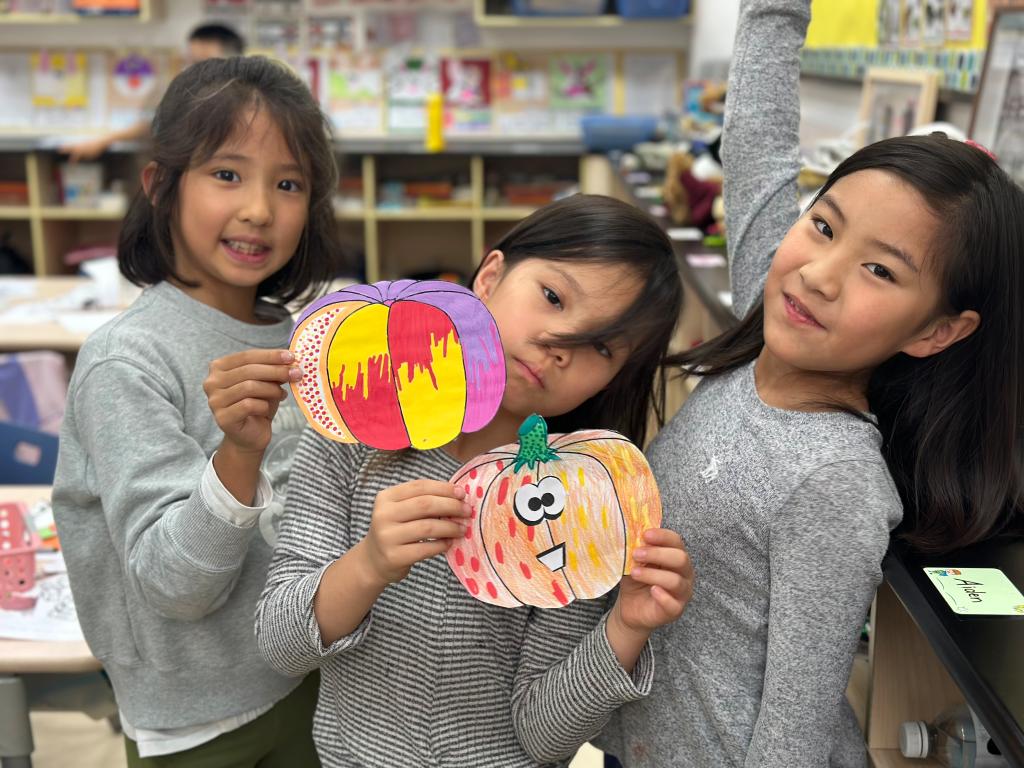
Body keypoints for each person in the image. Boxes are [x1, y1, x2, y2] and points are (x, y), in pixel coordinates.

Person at [600, 0, 1024, 765]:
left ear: (937, 331)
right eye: (824, 226)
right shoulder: (771, 321)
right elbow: (756, 145)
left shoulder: (834, 482)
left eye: (880, 271)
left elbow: (793, 738)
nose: (821, 274)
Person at [254, 194, 696, 767]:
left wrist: (626, 628)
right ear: (490, 278)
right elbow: (281, 646)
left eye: (601, 346)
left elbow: (544, 737)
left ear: (614, 378)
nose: (559, 345)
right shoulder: (358, 430)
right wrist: (369, 566)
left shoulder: (577, 503)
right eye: (553, 297)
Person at [52, 55, 343, 766]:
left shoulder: (301, 337)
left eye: (288, 184)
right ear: (161, 185)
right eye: (227, 174)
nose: (259, 209)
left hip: (311, 675)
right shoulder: (127, 360)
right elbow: (174, 586)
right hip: (196, 723)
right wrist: (238, 454)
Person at [60, 23, 245, 163]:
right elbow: (150, 122)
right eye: (191, 61)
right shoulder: (179, 89)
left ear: (233, 62)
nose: (195, 70)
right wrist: (104, 140)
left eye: (204, 63)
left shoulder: (247, 98)